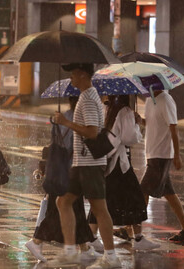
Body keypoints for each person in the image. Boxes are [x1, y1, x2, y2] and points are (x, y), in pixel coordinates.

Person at [53, 63, 121, 268]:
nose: (71, 79)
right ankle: (71, 251)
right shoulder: (87, 96)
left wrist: (66, 123)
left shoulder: (89, 99)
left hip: (89, 163)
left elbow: (92, 132)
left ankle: (111, 256)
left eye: (73, 74)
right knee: (63, 202)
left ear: (82, 75)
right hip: (81, 163)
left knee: (99, 208)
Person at [26, 97, 101, 263]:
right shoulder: (76, 118)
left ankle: (85, 248)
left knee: (76, 208)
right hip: (69, 170)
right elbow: (72, 146)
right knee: (58, 209)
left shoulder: (65, 115)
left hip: (62, 170)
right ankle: (37, 241)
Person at [87, 95, 159, 251]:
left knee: (103, 199)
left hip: (109, 160)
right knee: (135, 198)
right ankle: (138, 238)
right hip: (120, 163)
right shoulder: (125, 111)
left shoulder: (108, 109)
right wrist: (137, 124)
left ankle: (91, 236)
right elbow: (129, 138)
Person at [136, 88, 184, 242]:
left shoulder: (166, 100)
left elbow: (173, 128)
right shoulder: (150, 100)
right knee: (169, 193)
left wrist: (177, 155)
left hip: (162, 155)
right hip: (151, 153)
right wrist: (140, 120)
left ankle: (132, 229)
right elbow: (150, 124)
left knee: (142, 191)